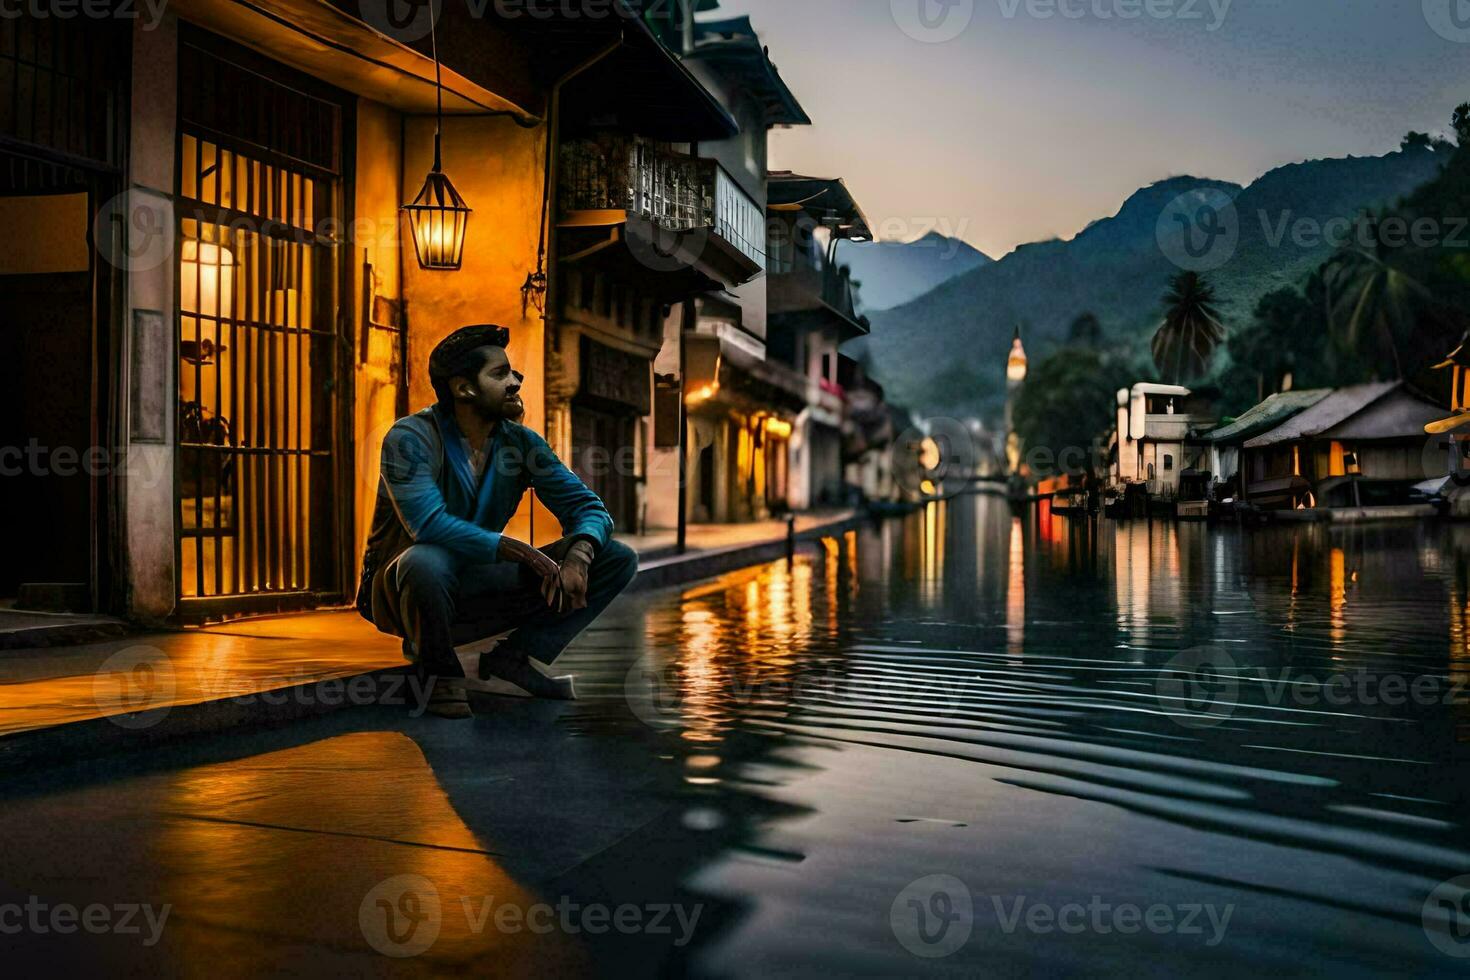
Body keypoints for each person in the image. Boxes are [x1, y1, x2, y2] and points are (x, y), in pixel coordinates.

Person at [358, 324, 638, 719]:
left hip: (477, 579)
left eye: (513, 373)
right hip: (406, 588)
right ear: (464, 389)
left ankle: (514, 658)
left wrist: (580, 555)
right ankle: (438, 673)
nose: (515, 381)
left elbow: (588, 507)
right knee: (426, 560)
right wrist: (519, 551)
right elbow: (429, 525)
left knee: (617, 556)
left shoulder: (521, 443)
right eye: (500, 374)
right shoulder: (410, 438)